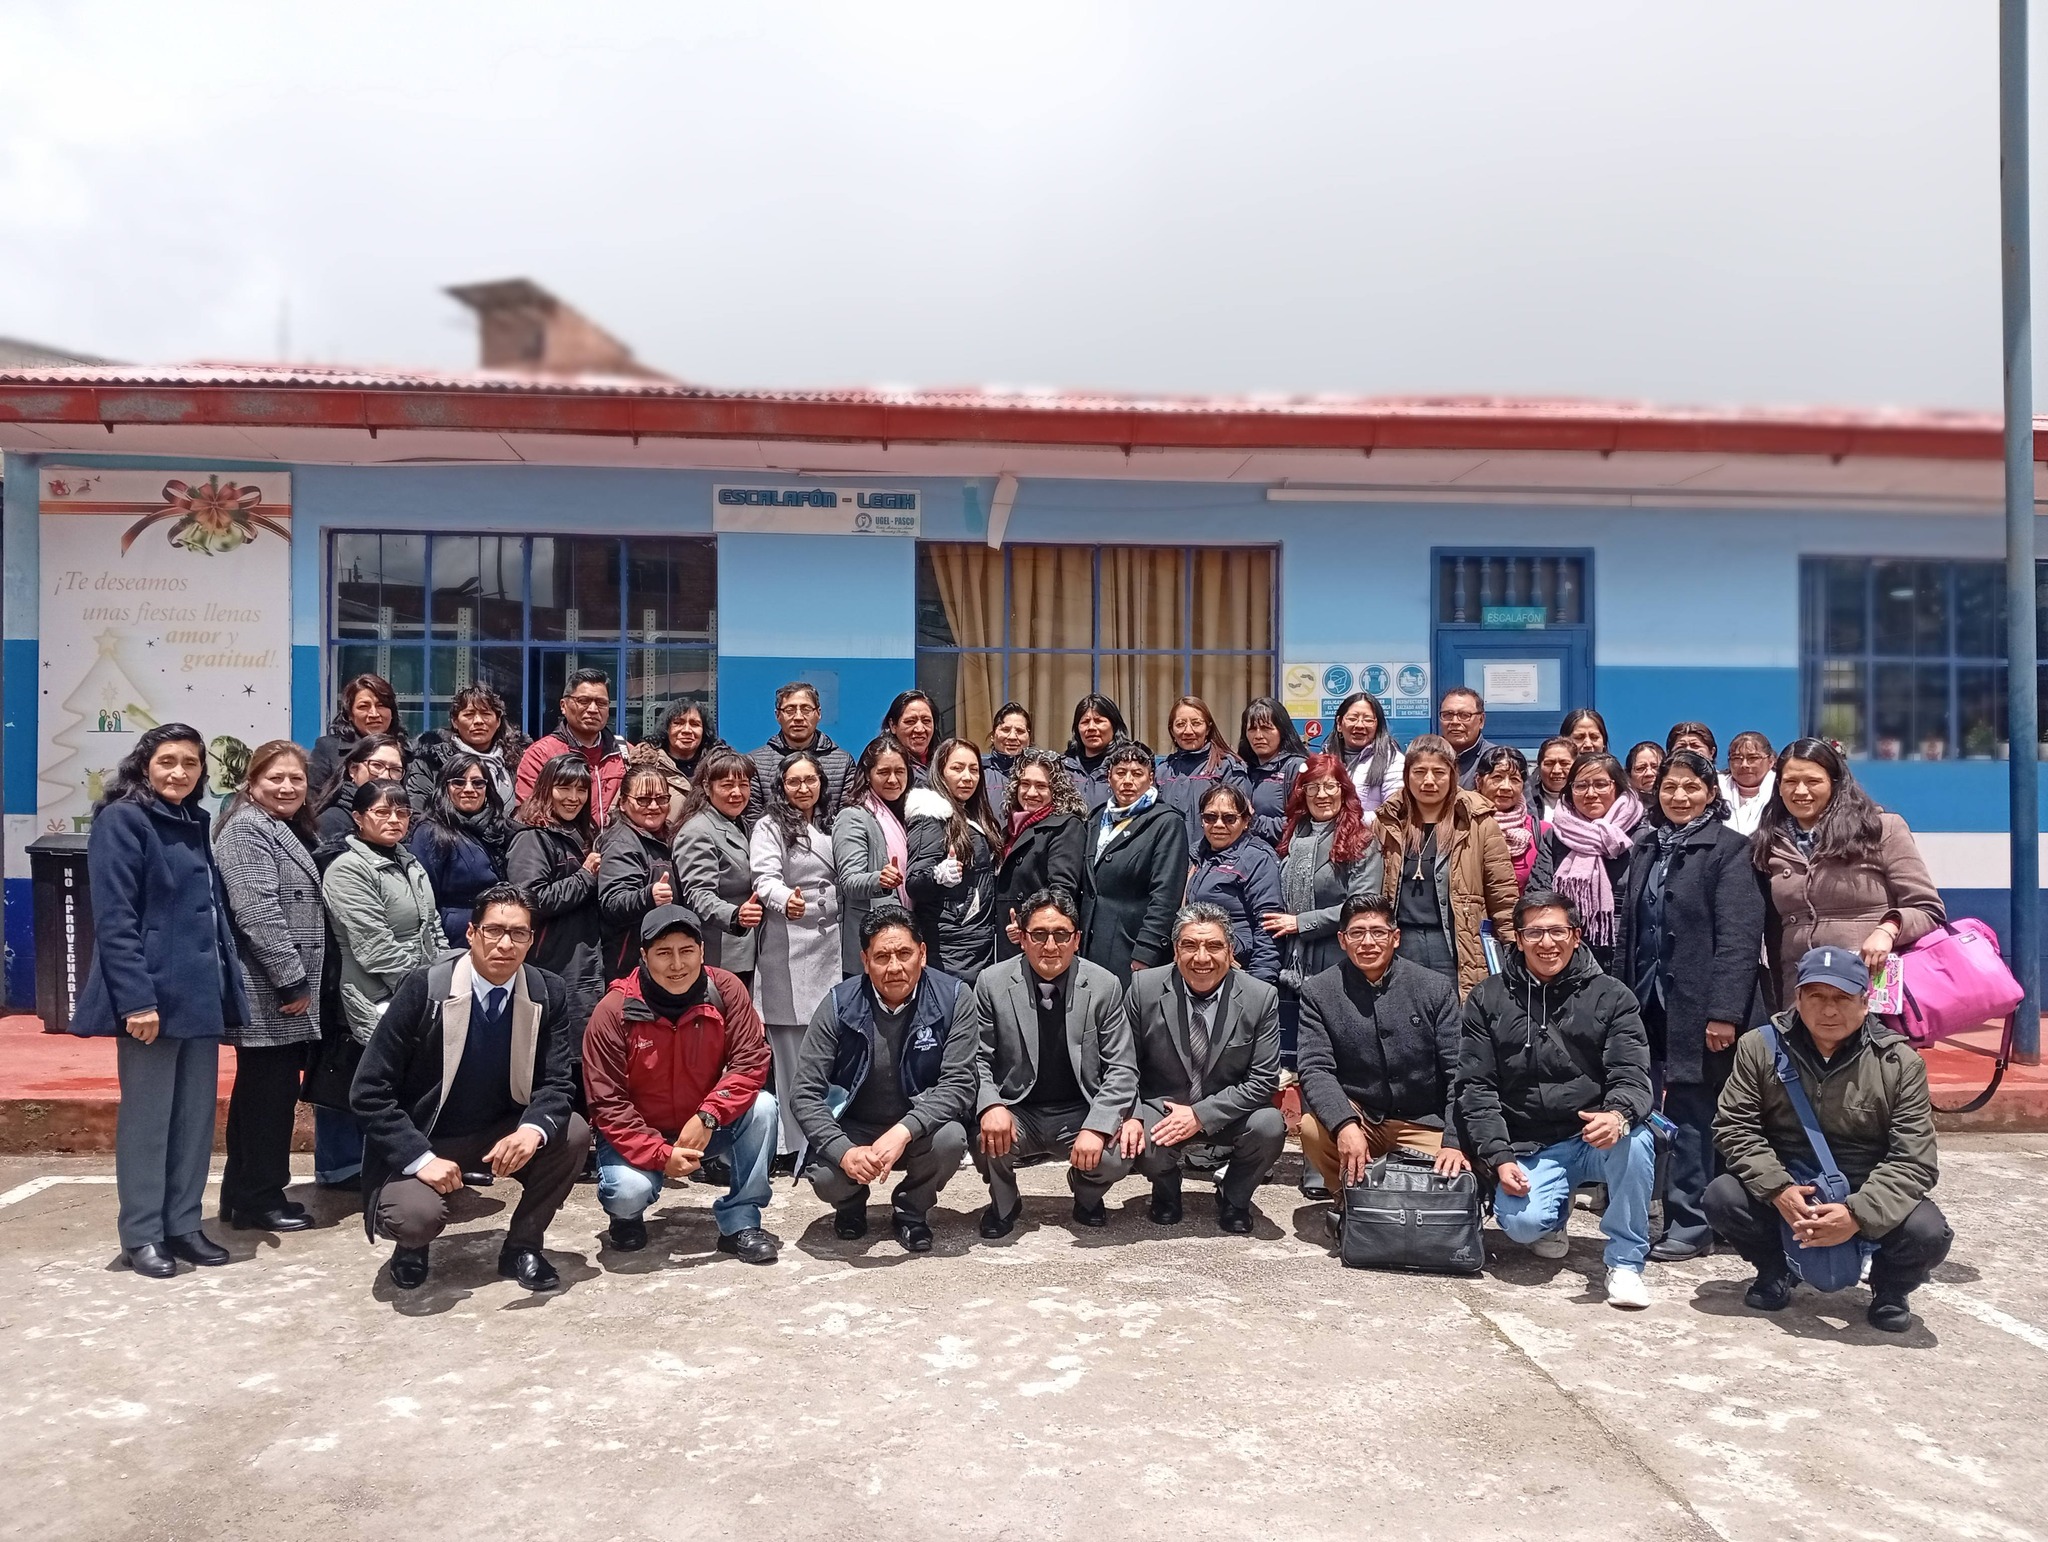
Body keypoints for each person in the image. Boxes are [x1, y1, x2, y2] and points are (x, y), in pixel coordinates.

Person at [71, 724, 250, 1277]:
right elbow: (116, 919)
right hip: (151, 1000)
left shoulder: (194, 820)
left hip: (198, 995)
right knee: (149, 1121)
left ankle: (183, 1224)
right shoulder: (122, 820)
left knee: (194, 1120)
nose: (179, 772)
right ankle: (143, 1233)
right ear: (144, 764)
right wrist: (135, 1001)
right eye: (167, 761)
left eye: (190, 763)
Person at [352, 884, 592, 1292]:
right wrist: (419, 1158)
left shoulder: (545, 991)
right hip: (426, 1135)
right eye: (493, 930)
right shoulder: (425, 988)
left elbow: (556, 1082)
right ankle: (412, 1247)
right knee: (414, 1218)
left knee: (572, 1132)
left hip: (496, 1133)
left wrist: (531, 1130)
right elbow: (369, 1090)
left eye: (518, 933)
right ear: (471, 933)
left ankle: (522, 1247)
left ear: (531, 939)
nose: (505, 944)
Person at [1708, 946, 1951, 1333]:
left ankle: (1890, 1288)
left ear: (1865, 1002)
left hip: (1863, 1184)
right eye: (1816, 996)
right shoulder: (1759, 1047)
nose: (1829, 1010)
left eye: (1842, 998)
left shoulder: (1900, 1063)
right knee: (1723, 1197)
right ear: (1798, 998)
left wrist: (1856, 1215)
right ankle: (1776, 1270)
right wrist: (1778, 1190)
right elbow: (1734, 1126)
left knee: (1928, 1232)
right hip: (1790, 1181)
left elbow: (1914, 1160)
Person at [1457, 890, 1656, 1309]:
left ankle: (1625, 1262)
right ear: (1518, 939)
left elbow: (1633, 1075)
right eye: (1534, 933)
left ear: (1576, 935)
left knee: (1637, 1140)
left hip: (1593, 1135)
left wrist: (1617, 1115)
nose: (1547, 943)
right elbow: (1476, 1087)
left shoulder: (1613, 996)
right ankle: (1554, 1214)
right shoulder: (1487, 997)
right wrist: (1499, 1157)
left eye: (1557, 931)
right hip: (1532, 1142)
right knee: (1522, 1225)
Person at [1616, 749, 1766, 1261]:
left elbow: (1740, 939)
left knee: (1694, 1111)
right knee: (1655, 1107)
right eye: (1669, 787)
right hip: (1648, 998)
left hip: (1701, 1009)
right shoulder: (1646, 846)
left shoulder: (1730, 849)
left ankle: (1692, 1223)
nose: (1679, 796)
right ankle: (1680, 1212)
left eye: (1691, 787)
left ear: (1710, 793)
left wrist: (1724, 1013)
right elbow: (1631, 930)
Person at [581, 905, 781, 1263]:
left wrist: (709, 1115)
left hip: (702, 1126)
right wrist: (661, 1154)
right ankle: (626, 1217)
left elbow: (751, 1062)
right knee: (627, 1192)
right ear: (644, 956)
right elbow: (607, 1103)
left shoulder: (726, 989)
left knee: (764, 1107)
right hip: (637, 1132)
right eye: (663, 953)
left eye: (686, 951)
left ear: (702, 951)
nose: (677, 965)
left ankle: (741, 1221)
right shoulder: (613, 1011)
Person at [793, 907, 981, 1252]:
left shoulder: (955, 998)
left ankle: (911, 1211)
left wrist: (904, 1130)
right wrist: (845, 1152)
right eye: (882, 957)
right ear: (865, 961)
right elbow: (804, 1093)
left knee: (950, 1140)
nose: (894, 967)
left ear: (922, 954)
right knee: (826, 1176)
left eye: (904, 954)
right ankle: (850, 1205)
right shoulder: (838, 1004)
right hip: (856, 1126)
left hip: (918, 1127)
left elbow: (959, 1084)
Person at [969, 890, 1138, 1236]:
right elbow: (977, 1058)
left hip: (1079, 1110)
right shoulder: (991, 983)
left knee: (1117, 1152)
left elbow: (1122, 1068)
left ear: (1076, 939)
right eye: (1039, 934)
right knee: (984, 1134)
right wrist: (991, 1105)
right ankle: (1005, 1202)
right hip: (1018, 1109)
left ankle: (1086, 1193)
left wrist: (1097, 1126)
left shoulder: (1105, 986)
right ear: (1022, 938)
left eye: (1061, 934)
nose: (1050, 946)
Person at [1295, 896, 1468, 1223]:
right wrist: (1344, 1124)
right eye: (1357, 933)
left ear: (1395, 937)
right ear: (1342, 940)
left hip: (1423, 1120)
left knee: (1443, 1192)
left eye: (1378, 932)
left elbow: (1458, 1072)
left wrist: (1454, 1142)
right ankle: (1350, 1201)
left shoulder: (1434, 988)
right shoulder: (1320, 991)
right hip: (1363, 1116)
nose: (1368, 942)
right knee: (1312, 1128)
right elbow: (1315, 1069)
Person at [212, 740, 325, 1233]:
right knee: (267, 1100)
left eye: (296, 778)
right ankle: (258, 1198)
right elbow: (257, 912)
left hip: (279, 990)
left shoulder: (281, 827)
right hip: (269, 991)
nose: (287, 787)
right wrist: (291, 981)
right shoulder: (246, 830)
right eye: (275, 778)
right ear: (251, 781)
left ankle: (243, 1195)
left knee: (263, 1094)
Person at [1121, 903, 1286, 1233]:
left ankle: (1234, 1197)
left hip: (1229, 1110)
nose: (1201, 958)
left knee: (1269, 1126)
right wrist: (1132, 1116)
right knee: (1140, 1133)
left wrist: (1200, 1114)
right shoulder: (1143, 989)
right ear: (1175, 950)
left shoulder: (1260, 997)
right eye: (1190, 945)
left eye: (1213, 946)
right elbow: (1124, 1065)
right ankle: (1166, 1190)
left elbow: (1263, 1080)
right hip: (1165, 1108)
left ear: (1230, 950)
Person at [1751, 737, 1944, 1006]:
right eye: (1790, 781)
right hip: (1801, 991)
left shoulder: (1880, 830)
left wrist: (1888, 930)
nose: (1801, 791)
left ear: (1835, 782)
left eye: (1813, 781)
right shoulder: (1766, 843)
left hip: (1869, 988)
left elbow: (1928, 909)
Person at [1374, 734, 1518, 999]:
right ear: (1407, 775)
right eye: (1419, 772)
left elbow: (1502, 893)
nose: (1429, 781)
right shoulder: (1388, 822)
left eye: (1439, 772)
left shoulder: (1478, 822)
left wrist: (1512, 944)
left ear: (1453, 775)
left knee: (1456, 1016)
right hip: (1401, 943)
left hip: (1456, 943)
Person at [749, 750, 843, 1159]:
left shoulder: (830, 822)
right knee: (792, 1054)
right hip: (790, 946)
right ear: (781, 786)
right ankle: (796, 1145)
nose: (803, 788)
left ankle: (829, 1137)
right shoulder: (769, 826)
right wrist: (786, 899)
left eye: (810, 780)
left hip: (832, 944)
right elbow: (764, 878)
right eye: (794, 781)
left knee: (829, 1050)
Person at [323, 781, 446, 1046]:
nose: (394, 820)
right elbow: (374, 946)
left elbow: (433, 925)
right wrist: (422, 989)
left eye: (402, 813)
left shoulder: (409, 861)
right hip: (379, 994)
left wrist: (445, 975)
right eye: (382, 812)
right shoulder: (348, 869)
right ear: (358, 817)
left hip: (423, 988)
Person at [506, 754, 607, 1028]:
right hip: (553, 962)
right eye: (564, 788)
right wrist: (585, 877)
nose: (573, 798)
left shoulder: (583, 832)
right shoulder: (532, 837)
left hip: (585, 959)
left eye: (581, 790)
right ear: (546, 788)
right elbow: (531, 899)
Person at [1530, 750, 1649, 975]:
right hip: (1568, 955)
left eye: (1601, 784)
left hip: (1629, 954)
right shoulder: (1555, 837)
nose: (1591, 793)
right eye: (1581, 786)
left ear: (1619, 788)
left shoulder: (1643, 836)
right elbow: (1539, 894)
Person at [1080, 741, 1190, 979]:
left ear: (1151, 779)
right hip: (1089, 945)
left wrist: (1147, 951)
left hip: (1132, 949)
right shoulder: (1097, 817)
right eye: (1120, 773)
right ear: (1109, 777)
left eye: (1137, 774)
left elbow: (1166, 896)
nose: (1128, 781)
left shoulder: (1166, 822)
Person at [905, 737, 1003, 985]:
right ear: (940, 771)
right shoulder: (930, 814)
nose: (967, 777)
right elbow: (915, 883)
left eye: (974, 769)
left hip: (980, 943)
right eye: (957, 768)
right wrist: (938, 875)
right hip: (949, 948)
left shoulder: (976, 813)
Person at [671, 749, 764, 990]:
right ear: (707, 787)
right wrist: (735, 916)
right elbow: (698, 895)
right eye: (727, 785)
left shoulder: (739, 822)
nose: (737, 793)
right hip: (720, 957)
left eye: (743, 785)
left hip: (747, 952)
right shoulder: (698, 831)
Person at [992, 749, 1088, 962]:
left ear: (1057, 790)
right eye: (1025, 784)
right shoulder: (1011, 827)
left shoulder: (1066, 826)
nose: (1031, 792)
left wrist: (1027, 923)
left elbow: (1062, 890)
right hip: (1006, 938)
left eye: (1041, 786)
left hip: (1041, 941)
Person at [406, 752, 510, 942]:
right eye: (458, 782)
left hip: (496, 934)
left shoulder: (498, 829)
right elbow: (422, 900)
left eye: (478, 783)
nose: (469, 789)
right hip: (453, 940)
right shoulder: (430, 832)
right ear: (445, 787)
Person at [1184, 785, 1282, 987]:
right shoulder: (1195, 854)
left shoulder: (1256, 859)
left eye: (1229, 818)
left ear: (1245, 821)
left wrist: (1260, 983)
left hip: (1239, 969)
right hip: (1197, 964)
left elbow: (1269, 926)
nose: (1218, 825)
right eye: (1210, 817)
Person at [834, 735, 914, 977]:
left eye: (899, 771)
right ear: (868, 775)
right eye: (884, 772)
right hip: (870, 942)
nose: (893, 779)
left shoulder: (907, 815)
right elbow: (849, 881)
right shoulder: (853, 816)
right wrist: (880, 879)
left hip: (903, 932)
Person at [515, 668, 628, 823]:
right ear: (563, 706)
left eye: (601, 703)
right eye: (583, 701)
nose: (593, 709)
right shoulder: (541, 754)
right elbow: (529, 814)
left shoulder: (625, 752)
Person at [597, 764, 678, 982]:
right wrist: (649, 896)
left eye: (661, 798)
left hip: (667, 957)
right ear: (623, 803)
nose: (653, 806)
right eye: (643, 800)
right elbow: (612, 902)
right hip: (631, 964)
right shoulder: (620, 842)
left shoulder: (672, 835)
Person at [405, 683, 526, 812]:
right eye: (469, 715)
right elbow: (419, 813)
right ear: (455, 722)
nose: (478, 721)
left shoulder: (516, 762)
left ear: (498, 721)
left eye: (486, 714)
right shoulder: (431, 762)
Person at [1154, 695, 1250, 855]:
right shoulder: (1162, 771)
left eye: (1196, 723)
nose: (1188, 731)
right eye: (1180, 724)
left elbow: (1237, 822)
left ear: (1208, 728)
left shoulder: (1226, 767)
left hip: (1214, 859)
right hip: (1169, 858)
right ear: (1172, 730)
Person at [747, 681, 853, 823]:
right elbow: (752, 820)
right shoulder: (756, 763)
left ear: (818, 713)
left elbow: (848, 820)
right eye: (790, 710)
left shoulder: (842, 762)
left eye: (806, 709)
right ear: (778, 715)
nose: (798, 717)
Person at [627, 701, 721, 829]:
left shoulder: (717, 767)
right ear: (666, 729)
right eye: (678, 723)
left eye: (695, 724)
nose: (687, 730)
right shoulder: (645, 765)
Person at [308, 672, 408, 793]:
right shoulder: (328, 749)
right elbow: (314, 797)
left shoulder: (408, 752)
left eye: (381, 705)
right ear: (349, 714)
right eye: (363, 707)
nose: (374, 714)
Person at [310, 734, 407, 850]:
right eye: (376, 765)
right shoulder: (331, 822)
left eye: (396, 769)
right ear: (353, 769)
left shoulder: (402, 820)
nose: (385, 776)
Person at [1237, 695, 1309, 847]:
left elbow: (1301, 824)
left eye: (1266, 728)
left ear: (1282, 731)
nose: (1258, 736)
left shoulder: (1297, 767)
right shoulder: (1240, 769)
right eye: (1252, 729)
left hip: (1280, 855)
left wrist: (1252, 822)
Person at [1475, 744, 1543, 889]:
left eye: (1514, 779)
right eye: (1497, 777)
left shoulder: (1542, 832)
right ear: (1479, 781)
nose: (1506, 787)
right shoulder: (1462, 827)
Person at [1332, 690, 1404, 816]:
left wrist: (1347, 821)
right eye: (1352, 718)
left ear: (1378, 726)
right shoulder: (1324, 758)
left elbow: (1394, 813)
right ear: (1339, 723)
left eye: (1368, 720)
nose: (1360, 725)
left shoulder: (1393, 761)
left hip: (1369, 830)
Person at [1062, 693, 1129, 813]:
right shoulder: (1063, 767)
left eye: (1099, 721)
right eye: (1085, 722)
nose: (1091, 728)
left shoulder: (1129, 765)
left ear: (1114, 726)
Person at [1437, 687, 1496, 788]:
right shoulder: (1425, 758)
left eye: (1464, 715)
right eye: (1447, 715)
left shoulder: (1498, 760)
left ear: (1481, 720)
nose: (1455, 722)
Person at [1721, 730, 1776, 837]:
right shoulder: (1716, 788)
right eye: (1737, 758)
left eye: (1753, 758)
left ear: (1770, 761)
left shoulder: (1781, 788)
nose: (1744, 765)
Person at [880, 689, 938, 789]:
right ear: (893, 725)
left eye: (926, 721)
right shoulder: (880, 765)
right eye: (910, 721)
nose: (920, 729)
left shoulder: (944, 764)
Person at [982, 701, 1034, 812]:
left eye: (1020, 731)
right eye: (1005, 730)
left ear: (1029, 738)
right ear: (992, 736)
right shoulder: (978, 772)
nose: (1012, 737)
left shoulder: (1040, 773)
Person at [1530, 735, 1575, 824]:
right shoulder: (1527, 798)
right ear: (1539, 766)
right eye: (1549, 763)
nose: (1556, 770)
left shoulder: (1587, 797)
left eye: (1564, 763)